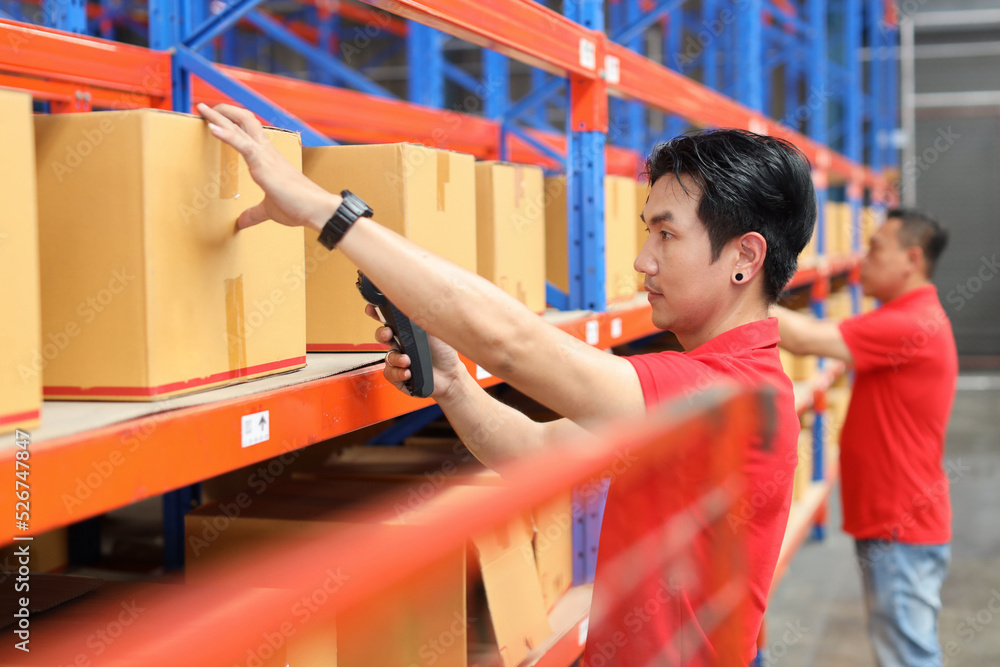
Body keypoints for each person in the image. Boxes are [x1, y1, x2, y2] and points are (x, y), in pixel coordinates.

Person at [196, 102, 816, 664]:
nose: (642, 259)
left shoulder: (727, 394)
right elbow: (537, 453)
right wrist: (452, 383)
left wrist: (323, 210)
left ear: (745, 257)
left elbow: (512, 344)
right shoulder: (713, 388)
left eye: (667, 234)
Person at [773, 209, 956, 667]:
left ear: (911, 260)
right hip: (895, 519)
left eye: (875, 249)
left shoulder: (912, 323)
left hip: (901, 523)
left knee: (907, 656)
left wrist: (726, 286)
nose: (862, 261)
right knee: (900, 649)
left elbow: (801, 336)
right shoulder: (906, 316)